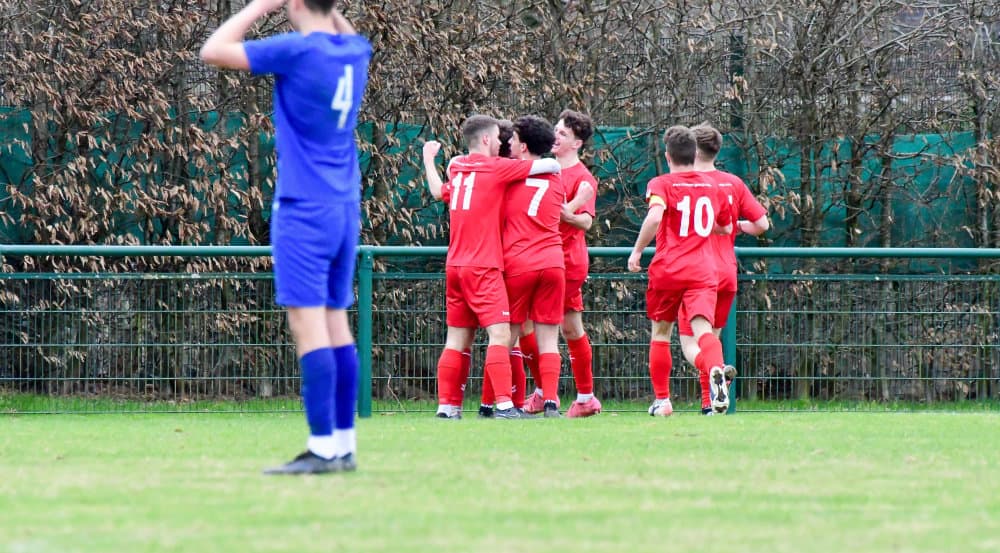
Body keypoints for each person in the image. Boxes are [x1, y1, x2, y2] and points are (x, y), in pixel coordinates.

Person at [200, 0, 371, 474]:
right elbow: (340, 29)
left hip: (304, 207)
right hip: (343, 206)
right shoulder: (355, 51)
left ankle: (321, 449)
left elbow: (213, 50)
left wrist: (260, 6)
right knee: (337, 325)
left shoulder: (296, 50)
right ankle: (342, 444)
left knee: (309, 325)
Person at [422, 115, 560, 420]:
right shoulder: (496, 168)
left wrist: (429, 160)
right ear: (486, 139)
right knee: (500, 335)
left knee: (456, 339)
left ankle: (447, 408)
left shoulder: (458, 169)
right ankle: (503, 405)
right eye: (499, 137)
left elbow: (437, 192)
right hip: (483, 266)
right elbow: (548, 165)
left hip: (455, 265)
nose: (503, 142)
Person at [627, 125, 733, 417]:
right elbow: (725, 227)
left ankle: (662, 401)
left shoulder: (661, 183)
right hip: (703, 270)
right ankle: (715, 374)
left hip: (670, 268)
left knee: (661, 333)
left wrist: (637, 251)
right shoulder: (714, 186)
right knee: (702, 330)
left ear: (667, 156)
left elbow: (655, 216)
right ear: (695, 154)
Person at [677, 123, 769, 415]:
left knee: (691, 344)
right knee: (711, 340)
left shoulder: (683, 182)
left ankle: (715, 370)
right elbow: (762, 225)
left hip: (694, 271)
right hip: (726, 270)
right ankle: (709, 404)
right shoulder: (733, 183)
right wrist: (735, 228)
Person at [521, 109, 601, 417]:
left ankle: (551, 394)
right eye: (556, 130)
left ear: (577, 143)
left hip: (565, 260)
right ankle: (582, 397)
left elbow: (584, 222)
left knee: (546, 327)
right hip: (544, 257)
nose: (556, 136)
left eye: (564, 134)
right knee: (567, 328)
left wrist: (571, 210)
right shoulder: (543, 168)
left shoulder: (583, 178)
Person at [499, 115, 566, 418]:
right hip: (554, 262)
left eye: (512, 139)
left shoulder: (509, 175)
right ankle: (551, 401)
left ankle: (496, 403)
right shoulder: (556, 179)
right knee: (549, 338)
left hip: (520, 262)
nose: (507, 143)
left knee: (505, 337)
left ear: (523, 147)